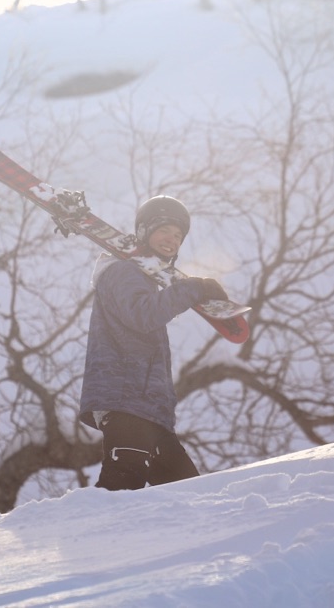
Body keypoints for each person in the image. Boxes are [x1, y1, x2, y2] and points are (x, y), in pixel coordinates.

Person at [79, 195, 228, 491]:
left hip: (149, 411)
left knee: (188, 493)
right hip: (126, 403)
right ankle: (87, 523)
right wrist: (194, 289)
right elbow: (143, 314)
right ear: (144, 231)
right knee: (121, 486)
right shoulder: (123, 271)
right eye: (164, 231)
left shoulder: (142, 280)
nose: (172, 240)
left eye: (178, 236)